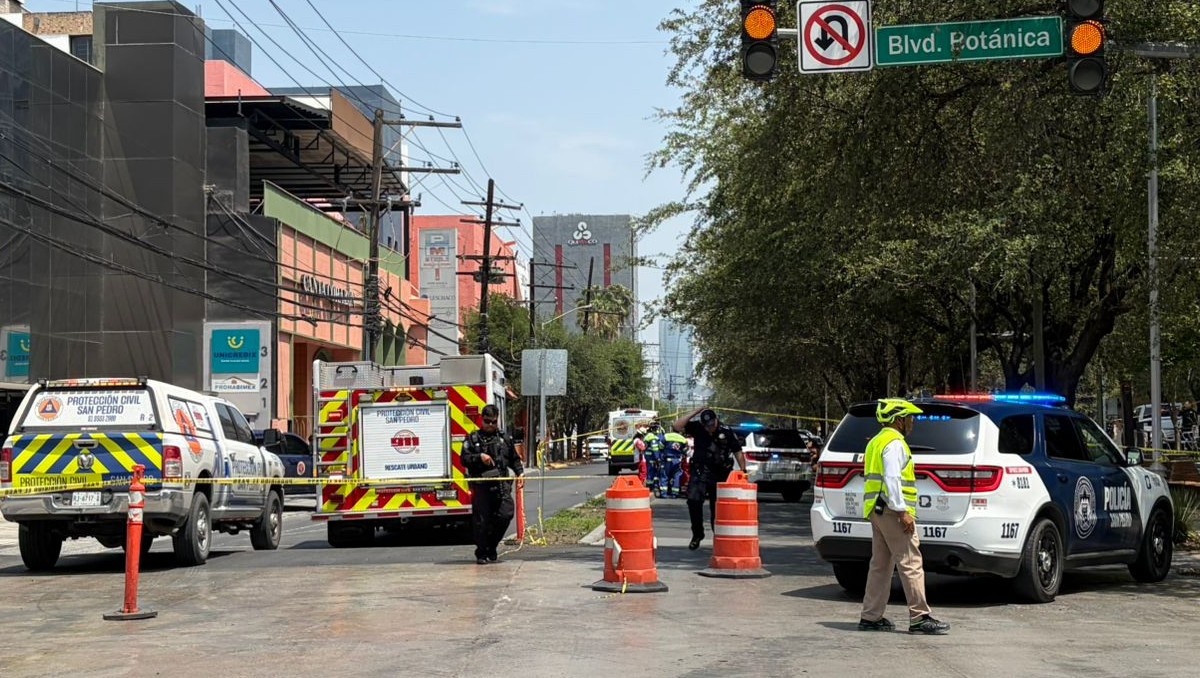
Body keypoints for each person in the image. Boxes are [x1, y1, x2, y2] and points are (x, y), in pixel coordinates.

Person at [858, 398, 950, 635]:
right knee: (911, 563)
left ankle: (871, 617)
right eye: (909, 417)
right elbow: (892, 478)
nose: (912, 422)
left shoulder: (876, 441)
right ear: (899, 420)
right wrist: (902, 511)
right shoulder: (895, 443)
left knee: (880, 565)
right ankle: (920, 617)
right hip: (892, 511)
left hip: (877, 511)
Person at [673, 406, 747, 550]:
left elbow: (737, 451)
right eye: (707, 426)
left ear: (716, 421)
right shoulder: (698, 428)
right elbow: (676, 426)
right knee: (693, 501)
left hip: (719, 473)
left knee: (717, 507)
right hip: (700, 471)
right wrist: (695, 411)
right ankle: (697, 534)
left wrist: (743, 472)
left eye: (711, 425)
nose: (709, 429)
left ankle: (718, 536)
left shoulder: (726, 432)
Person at [461, 404, 525, 565]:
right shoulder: (472, 439)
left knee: (506, 514)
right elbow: (464, 459)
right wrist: (479, 457)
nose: (490, 425)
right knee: (481, 521)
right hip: (482, 486)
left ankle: (492, 545)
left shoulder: (505, 439)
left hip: (502, 485)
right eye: (487, 421)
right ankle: (482, 552)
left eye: (493, 422)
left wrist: (520, 472)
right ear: (482, 420)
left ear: (498, 421)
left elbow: (514, 459)